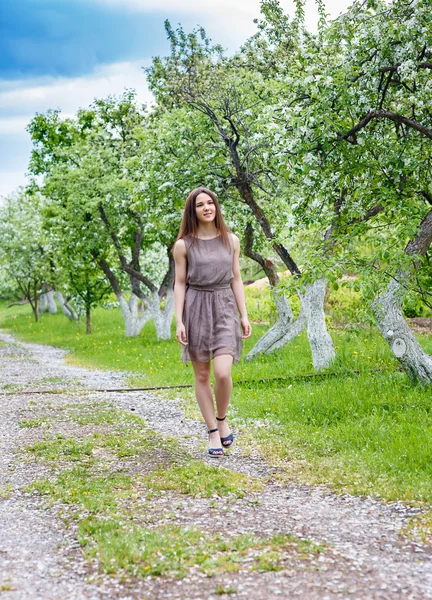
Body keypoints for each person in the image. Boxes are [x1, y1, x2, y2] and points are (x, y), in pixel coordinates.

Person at [173, 187, 252, 457]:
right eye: (200, 204)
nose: (207, 208)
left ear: (216, 207)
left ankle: (221, 419)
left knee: (222, 372)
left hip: (224, 306)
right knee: (202, 375)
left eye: (210, 203)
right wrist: (179, 321)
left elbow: (236, 278)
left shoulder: (231, 240)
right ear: (192, 211)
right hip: (195, 307)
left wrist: (244, 314)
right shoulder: (184, 245)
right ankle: (212, 433)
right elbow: (180, 284)